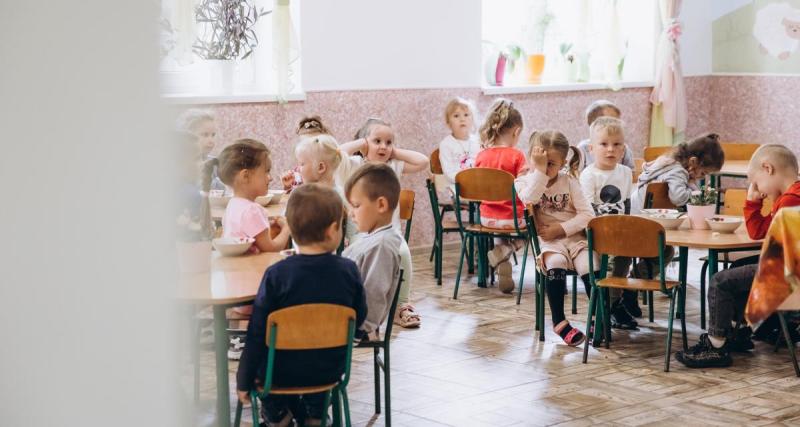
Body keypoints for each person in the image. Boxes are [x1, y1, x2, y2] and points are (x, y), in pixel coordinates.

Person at [236, 184, 367, 427]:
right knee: (316, 358)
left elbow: (256, 332)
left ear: (292, 231)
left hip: (279, 372)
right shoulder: (349, 271)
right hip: (329, 369)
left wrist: (243, 378)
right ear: (333, 230)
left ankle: (279, 417)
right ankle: (315, 415)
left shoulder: (276, 275)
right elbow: (360, 315)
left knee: (267, 364)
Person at [677, 144, 800, 368]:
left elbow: (765, 240)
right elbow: (759, 232)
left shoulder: (791, 201)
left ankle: (716, 346)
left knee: (721, 281)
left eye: (756, 182)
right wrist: (755, 201)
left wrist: (754, 199)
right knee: (740, 269)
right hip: (791, 268)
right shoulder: (789, 197)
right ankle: (738, 332)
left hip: (790, 275)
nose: (757, 189)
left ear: (768, 169)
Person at [337, 118, 427, 328]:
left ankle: (401, 305)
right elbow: (337, 153)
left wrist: (395, 152)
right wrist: (361, 145)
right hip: (362, 233)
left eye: (388, 142)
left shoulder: (393, 166)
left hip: (390, 234)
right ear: (365, 143)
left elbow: (422, 161)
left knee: (402, 253)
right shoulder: (355, 165)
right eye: (377, 141)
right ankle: (361, 306)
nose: (383, 147)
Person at [516, 130, 598, 346]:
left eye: (551, 164)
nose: (546, 168)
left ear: (562, 163)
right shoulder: (523, 182)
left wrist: (561, 228)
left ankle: (597, 317)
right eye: (540, 162)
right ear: (532, 159)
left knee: (589, 264)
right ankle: (559, 321)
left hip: (574, 237)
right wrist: (540, 171)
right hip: (549, 243)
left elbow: (588, 215)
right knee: (555, 262)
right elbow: (529, 199)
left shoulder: (569, 181)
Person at [578, 117, 639, 329]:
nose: (610, 149)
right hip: (598, 234)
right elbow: (587, 209)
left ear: (624, 148)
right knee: (611, 262)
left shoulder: (625, 172)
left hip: (621, 231)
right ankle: (609, 307)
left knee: (627, 259)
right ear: (591, 148)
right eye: (604, 144)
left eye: (617, 144)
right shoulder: (588, 175)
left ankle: (616, 301)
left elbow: (627, 203)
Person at [342, 163, 405, 338]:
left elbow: (375, 294)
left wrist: (362, 328)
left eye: (356, 205)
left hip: (356, 326)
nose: (351, 213)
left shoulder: (381, 246)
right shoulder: (374, 238)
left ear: (381, 205)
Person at [475, 99, 529, 293]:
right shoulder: (517, 156)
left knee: (499, 222)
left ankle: (501, 257)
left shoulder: (481, 155)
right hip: (513, 220)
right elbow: (525, 189)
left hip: (486, 219)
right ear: (516, 132)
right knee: (536, 227)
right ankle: (506, 250)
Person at [630, 133, 725, 213]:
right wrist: (695, 191)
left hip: (636, 210)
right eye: (703, 173)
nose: (702, 178)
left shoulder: (668, 163)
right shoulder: (678, 172)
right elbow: (678, 198)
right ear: (693, 161)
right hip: (640, 215)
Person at [575, 100, 634, 172]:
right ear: (593, 124)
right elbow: (574, 175)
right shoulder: (582, 149)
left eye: (617, 121)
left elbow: (631, 174)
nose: (616, 125)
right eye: (611, 121)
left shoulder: (624, 149)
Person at [438, 97, 481, 192]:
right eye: (456, 116)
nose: (462, 119)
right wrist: (466, 179)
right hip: (458, 187)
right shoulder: (446, 144)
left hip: (479, 185)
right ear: (448, 123)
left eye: (466, 115)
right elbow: (448, 172)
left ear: (473, 119)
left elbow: (484, 165)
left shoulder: (478, 141)